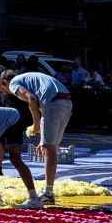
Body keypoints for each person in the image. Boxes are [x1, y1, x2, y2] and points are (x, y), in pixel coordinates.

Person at [8, 66, 72, 206]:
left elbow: (31, 99)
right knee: (50, 147)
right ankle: (48, 190)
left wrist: (36, 124)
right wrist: (42, 139)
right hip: (66, 101)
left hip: (53, 103)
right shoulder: (30, 77)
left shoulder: (13, 83)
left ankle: (48, 193)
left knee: (49, 149)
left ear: (4, 83)